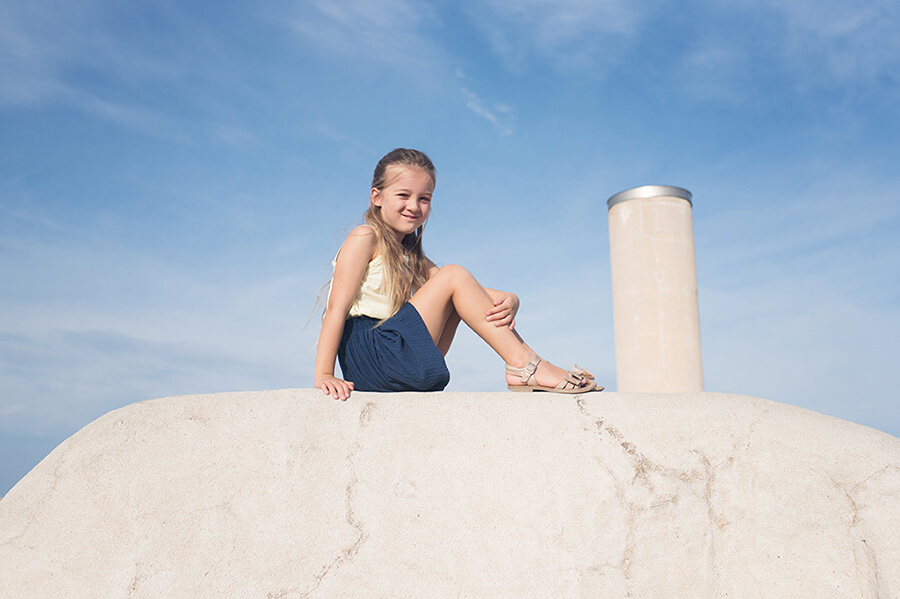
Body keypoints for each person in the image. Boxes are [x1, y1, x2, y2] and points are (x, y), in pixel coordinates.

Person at [314, 148, 599, 401]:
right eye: (403, 195)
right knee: (453, 275)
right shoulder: (365, 236)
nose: (414, 206)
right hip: (375, 357)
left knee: (454, 282)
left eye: (424, 198)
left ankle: (526, 363)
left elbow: (471, 295)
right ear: (376, 196)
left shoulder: (411, 257)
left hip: (400, 361)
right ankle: (525, 366)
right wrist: (324, 373)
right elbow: (335, 309)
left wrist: (511, 299)